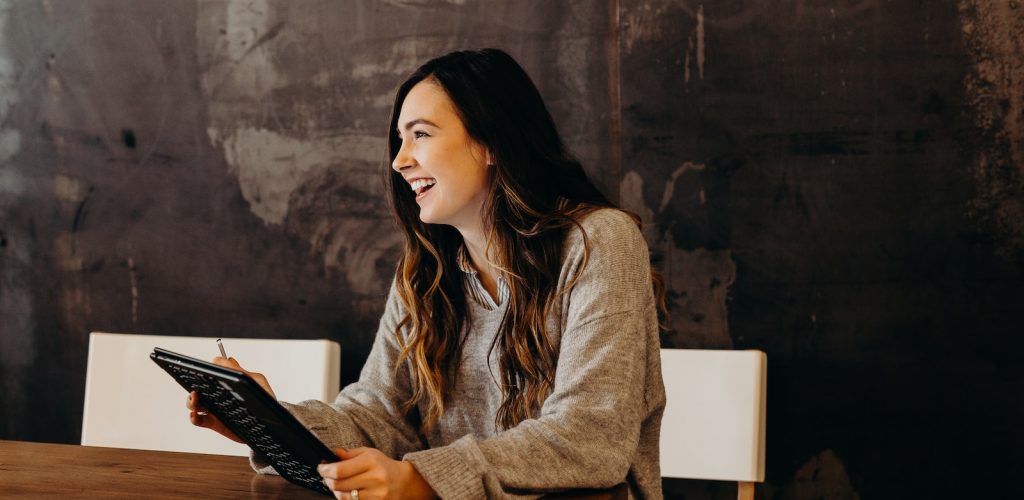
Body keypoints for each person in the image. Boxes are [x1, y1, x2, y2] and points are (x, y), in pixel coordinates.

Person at [187, 48, 667, 500]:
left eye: (420, 133)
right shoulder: (426, 272)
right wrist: (269, 422)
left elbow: (590, 438)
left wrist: (421, 479)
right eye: (400, 140)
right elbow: (376, 418)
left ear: (491, 142)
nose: (399, 161)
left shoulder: (600, 242)